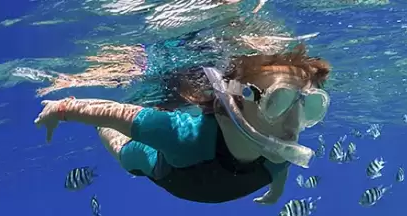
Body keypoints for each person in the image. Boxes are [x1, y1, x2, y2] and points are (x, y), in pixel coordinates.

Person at [34, 45, 331, 204]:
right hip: (173, 172)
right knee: (126, 153)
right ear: (228, 103)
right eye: (279, 101)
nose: (295, 123)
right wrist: (61, 108)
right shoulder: (180, 137)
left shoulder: (279, 144)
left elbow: (279, 170)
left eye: (309, 106)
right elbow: (118, 113)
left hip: (204, 179)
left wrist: (275, 194)